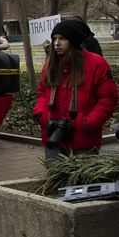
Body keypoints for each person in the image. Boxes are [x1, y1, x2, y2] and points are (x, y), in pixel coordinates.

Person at [33, 20, 118, 159]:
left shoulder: (97, 64)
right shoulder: (50, 64)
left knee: (85, 181)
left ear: (74, 41)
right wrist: (43, 116)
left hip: (85, 140)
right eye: (55, 38)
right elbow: (43, 93)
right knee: (57, 180)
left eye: (62, 38)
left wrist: (88, 123)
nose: (57, 43)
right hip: (54, 137)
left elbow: (108, 99)